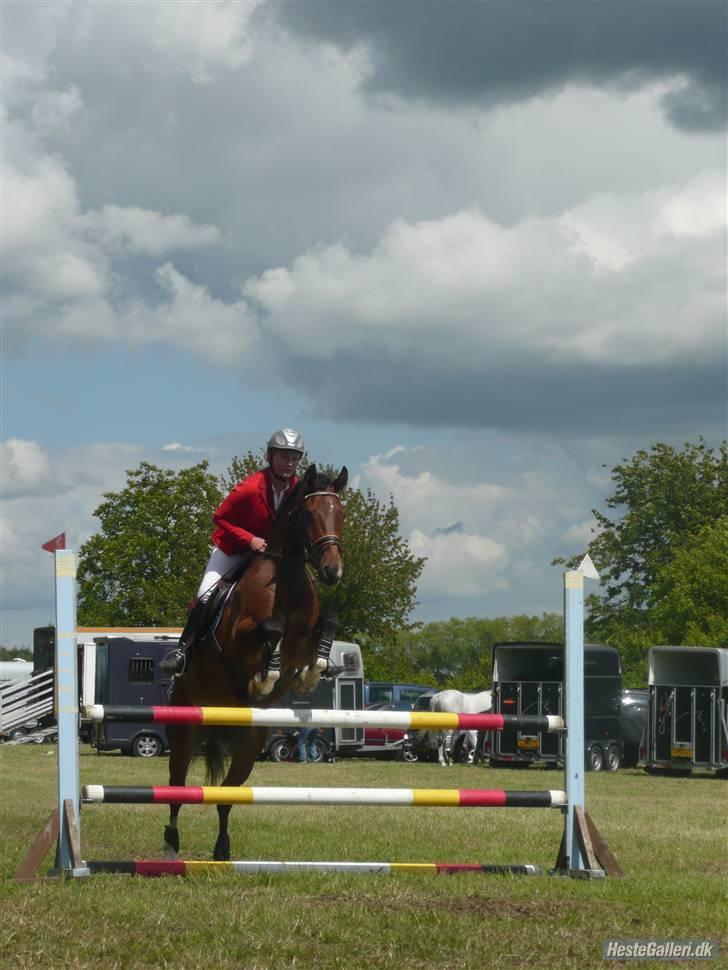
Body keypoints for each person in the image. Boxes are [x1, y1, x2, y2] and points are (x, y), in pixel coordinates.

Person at [159, 428, 304, 676]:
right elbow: (220, 518)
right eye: (284, 457)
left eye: (294, 458)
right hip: (234, 550)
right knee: (205, 595)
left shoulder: (298, 489)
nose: (289, 463)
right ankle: (183, 652)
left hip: (270, 558)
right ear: (270, 457)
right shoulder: (248, 488)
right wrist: (249, 539)